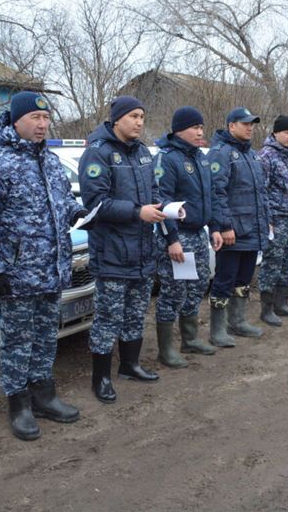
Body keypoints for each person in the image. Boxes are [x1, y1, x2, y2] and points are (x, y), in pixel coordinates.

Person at [0, 92, 86, 441]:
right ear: (16, 120)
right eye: (35, 118)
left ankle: (44, 395)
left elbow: (63, 200)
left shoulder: (49, 160)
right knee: (18, 341)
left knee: (47, 336)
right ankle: (18, 404)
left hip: (52, 269)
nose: (42, 124)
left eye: (46, 118)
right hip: (17, 273)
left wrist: (77, 213)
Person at [78, 96, 166, 403]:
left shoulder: (143, 152)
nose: (140, 122)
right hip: (113, 252)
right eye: (133, 116)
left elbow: (154, 193)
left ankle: (130, 365)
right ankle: (100, 378)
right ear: (117, 120)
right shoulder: (97, 153)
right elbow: (95, 205)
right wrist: (137, 212)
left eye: (142, 116)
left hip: (142, 250)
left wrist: (164, 209)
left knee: (136, 313)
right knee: (108, 318)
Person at [153, 106, 221, 368]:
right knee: (173, 291)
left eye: (202, 127)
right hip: (178, 236)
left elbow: (210, 196)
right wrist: (172, 240)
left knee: (197, 287)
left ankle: (190, 339)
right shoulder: (167, 158)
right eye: (195, 127)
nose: (200, 132)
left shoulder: (200, 157)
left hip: (198, 234)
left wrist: (214, 227)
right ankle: (166, 349)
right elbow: (161, 201)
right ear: (179, 129)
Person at [208, 106, 270, 346]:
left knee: (244, 279)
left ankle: (238, 320)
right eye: (245, 123)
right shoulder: (221, 153)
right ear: (231, 126)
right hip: (232, 232)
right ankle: (217, 330)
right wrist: (224, 225)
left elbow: (259, 193)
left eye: (252, 124)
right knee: (224, 279)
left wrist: (266, 222)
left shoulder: (251, 154)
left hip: (252, 229)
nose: (249, 127)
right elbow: (217, 192)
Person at [257, 115, 288, 326]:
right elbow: (262, 191)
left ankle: (281, 303)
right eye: (286, 132)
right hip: (276, 219)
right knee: (272, 264)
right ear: (275, 133)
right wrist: (267, 219)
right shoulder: (266, 156)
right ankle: (266, 309)